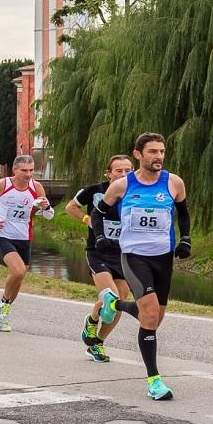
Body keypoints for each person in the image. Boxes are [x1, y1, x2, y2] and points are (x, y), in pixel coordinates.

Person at [92, 133, 192, 401]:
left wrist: (185, 239)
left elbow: (182, 213)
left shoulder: (174, 183)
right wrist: (100, 237)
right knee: (148, 317)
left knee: (156, 318)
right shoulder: (123, 185)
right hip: (135, 256)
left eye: (161, 151)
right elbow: (97, 212)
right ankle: (154, 381)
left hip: (163, 257)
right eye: (152, 152)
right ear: (138, 154)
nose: (158, 156)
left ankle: (115, 305)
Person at [64, 154, 134, 362]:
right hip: (98, 250)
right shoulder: (94, 191)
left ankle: (98, 343)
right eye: (118, 171)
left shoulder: (137, 192)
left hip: (123, 253)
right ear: (109, 173)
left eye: (128, 171)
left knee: (120, 302)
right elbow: (70, 207)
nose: (123, 174)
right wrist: (87, 219)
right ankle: (93, 318)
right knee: (109, 298)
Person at [0, 155, 54, 332]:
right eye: (24, 170)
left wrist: (46, 207)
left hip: (25, 238)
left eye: (31, 170)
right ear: (14, 170)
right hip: (3, 236)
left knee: (20, 276)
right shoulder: (2, 185)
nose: (28, 174)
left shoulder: (36, 187)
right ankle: (3, 306)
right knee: (18, 271)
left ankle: (3, 311)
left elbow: (49, 216)